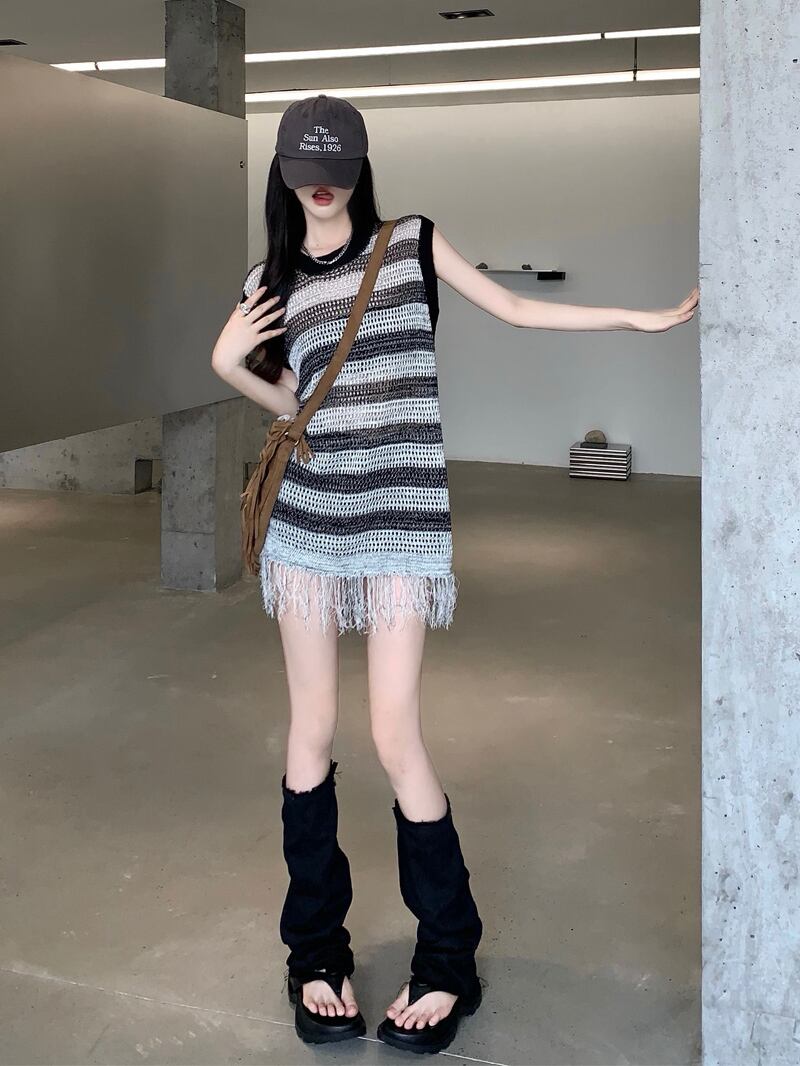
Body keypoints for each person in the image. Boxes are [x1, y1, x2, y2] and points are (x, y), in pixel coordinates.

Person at [210, 93, 698, 1054]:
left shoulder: (409, 243)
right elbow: (300, 402)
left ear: (358, 168)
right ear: (283, 172)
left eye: (337, 168)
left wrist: (634, 318)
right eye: (307, 169)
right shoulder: (267, 280)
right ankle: (315, 955)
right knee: (310, 730)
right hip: (309, 521)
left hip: (400, 522)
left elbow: (515, 308)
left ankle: (447, 961)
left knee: (396, 732)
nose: (321, 185)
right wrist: (230, 364)